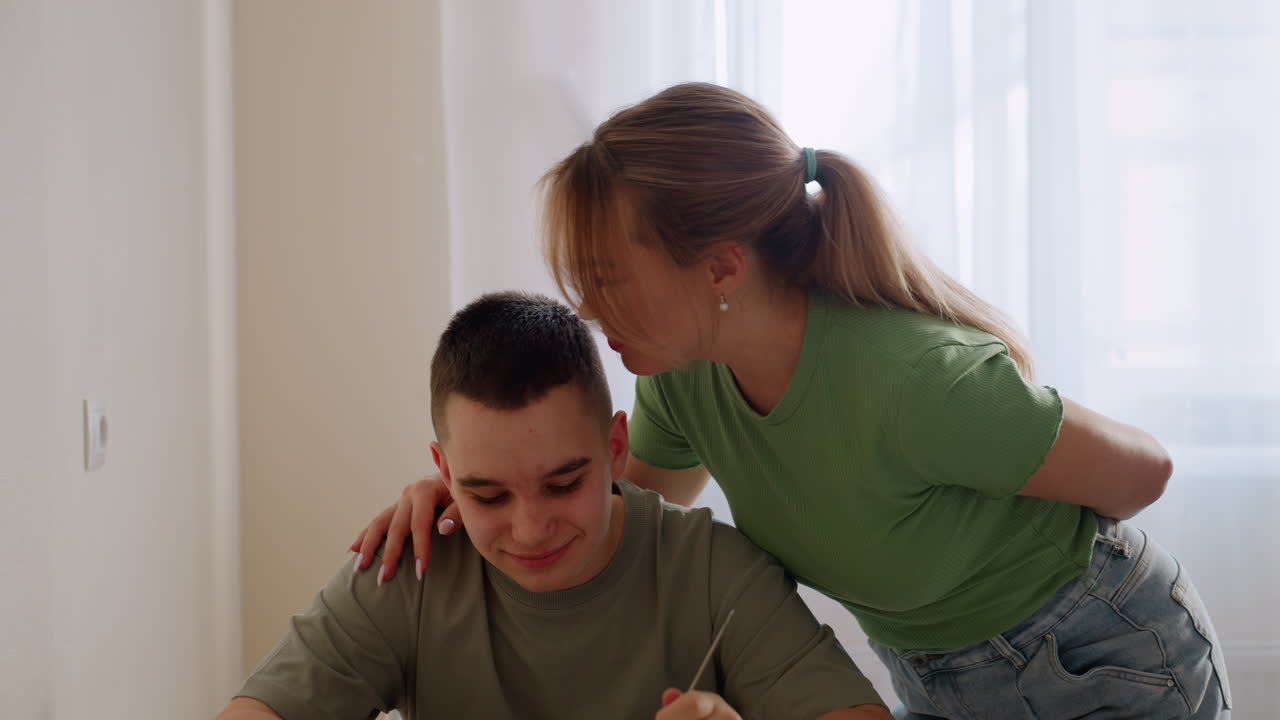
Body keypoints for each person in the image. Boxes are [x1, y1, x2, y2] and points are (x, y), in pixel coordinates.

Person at [349, 83, 1232, 718]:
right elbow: (621, 515)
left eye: (610, 278)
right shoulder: (683, 378)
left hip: (1096, 653)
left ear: (724, 267)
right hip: (940, 676)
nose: (589, 309)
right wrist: (469, 498)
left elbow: (1143, 474)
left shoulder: (914, 380)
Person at [218, 292, 890, 720]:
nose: (530, 528)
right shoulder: (411, 564)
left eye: (564, 484)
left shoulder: (715, 573)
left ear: (617, 447)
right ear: (444, 473)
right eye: (486, 495)